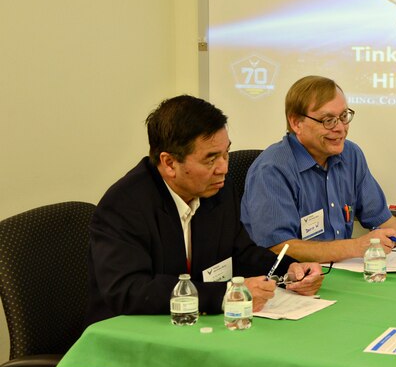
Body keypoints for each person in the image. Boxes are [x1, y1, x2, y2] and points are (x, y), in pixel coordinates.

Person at [86, 95, 323, 325]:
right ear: (169, 163)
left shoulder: (218, 189)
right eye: (210, 159)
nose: (223, 168)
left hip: (200, 324)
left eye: (226, 154)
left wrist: (289, 269)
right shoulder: (124, 205)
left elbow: (240, 252)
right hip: (133, 332)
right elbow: (130, 289)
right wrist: (225, 294)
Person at [241, 75, 396, 263]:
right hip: (287, 281)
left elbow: (382, 219)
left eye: (343, 117)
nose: (340, 128)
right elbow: (278, 247)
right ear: (296, 123)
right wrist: (356, 247)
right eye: (328, 120)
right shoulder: (272, 170)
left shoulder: (350, 155)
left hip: (340, 272)